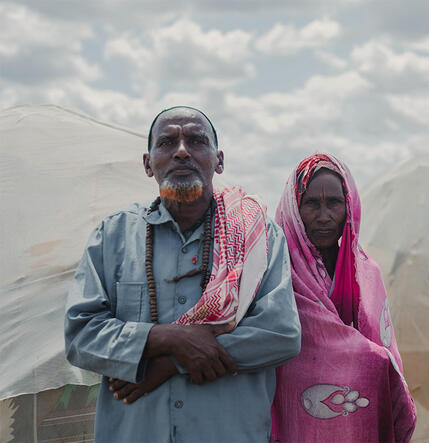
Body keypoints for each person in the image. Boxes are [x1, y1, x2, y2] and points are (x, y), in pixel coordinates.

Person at [64, 106, 301, 442]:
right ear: (148, 164)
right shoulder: (113, 235)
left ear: (219, 160)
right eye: (167, 143)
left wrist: (170, 364)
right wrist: (170, 338)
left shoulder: (256, 235)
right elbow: (81, 336)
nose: (181, 151)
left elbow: (281, 334)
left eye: (196, 141)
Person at [270, 153, 416, 442]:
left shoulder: (366, 274)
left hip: (355, 424)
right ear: (294, 207)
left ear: (349, 206)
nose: (324, 216)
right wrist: (363, 358)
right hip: (292, 420)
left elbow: (385, 353)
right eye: (311, 203)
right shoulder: (274, 270)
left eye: (334, 203)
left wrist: (371, 362)